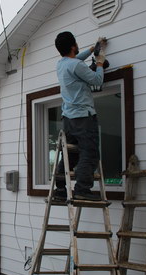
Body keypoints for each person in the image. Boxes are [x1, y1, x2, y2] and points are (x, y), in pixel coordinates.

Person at [53, 31, 108, 201]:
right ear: (73, 46)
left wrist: (92, 49)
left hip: (69, 119)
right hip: (84, 117)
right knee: (90, 153)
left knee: (70, 155)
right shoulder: (76, 66)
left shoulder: (61, 64)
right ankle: (82, 190)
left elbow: (76, 61)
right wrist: (99, 63)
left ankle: (61, 189)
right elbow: (97, 80)